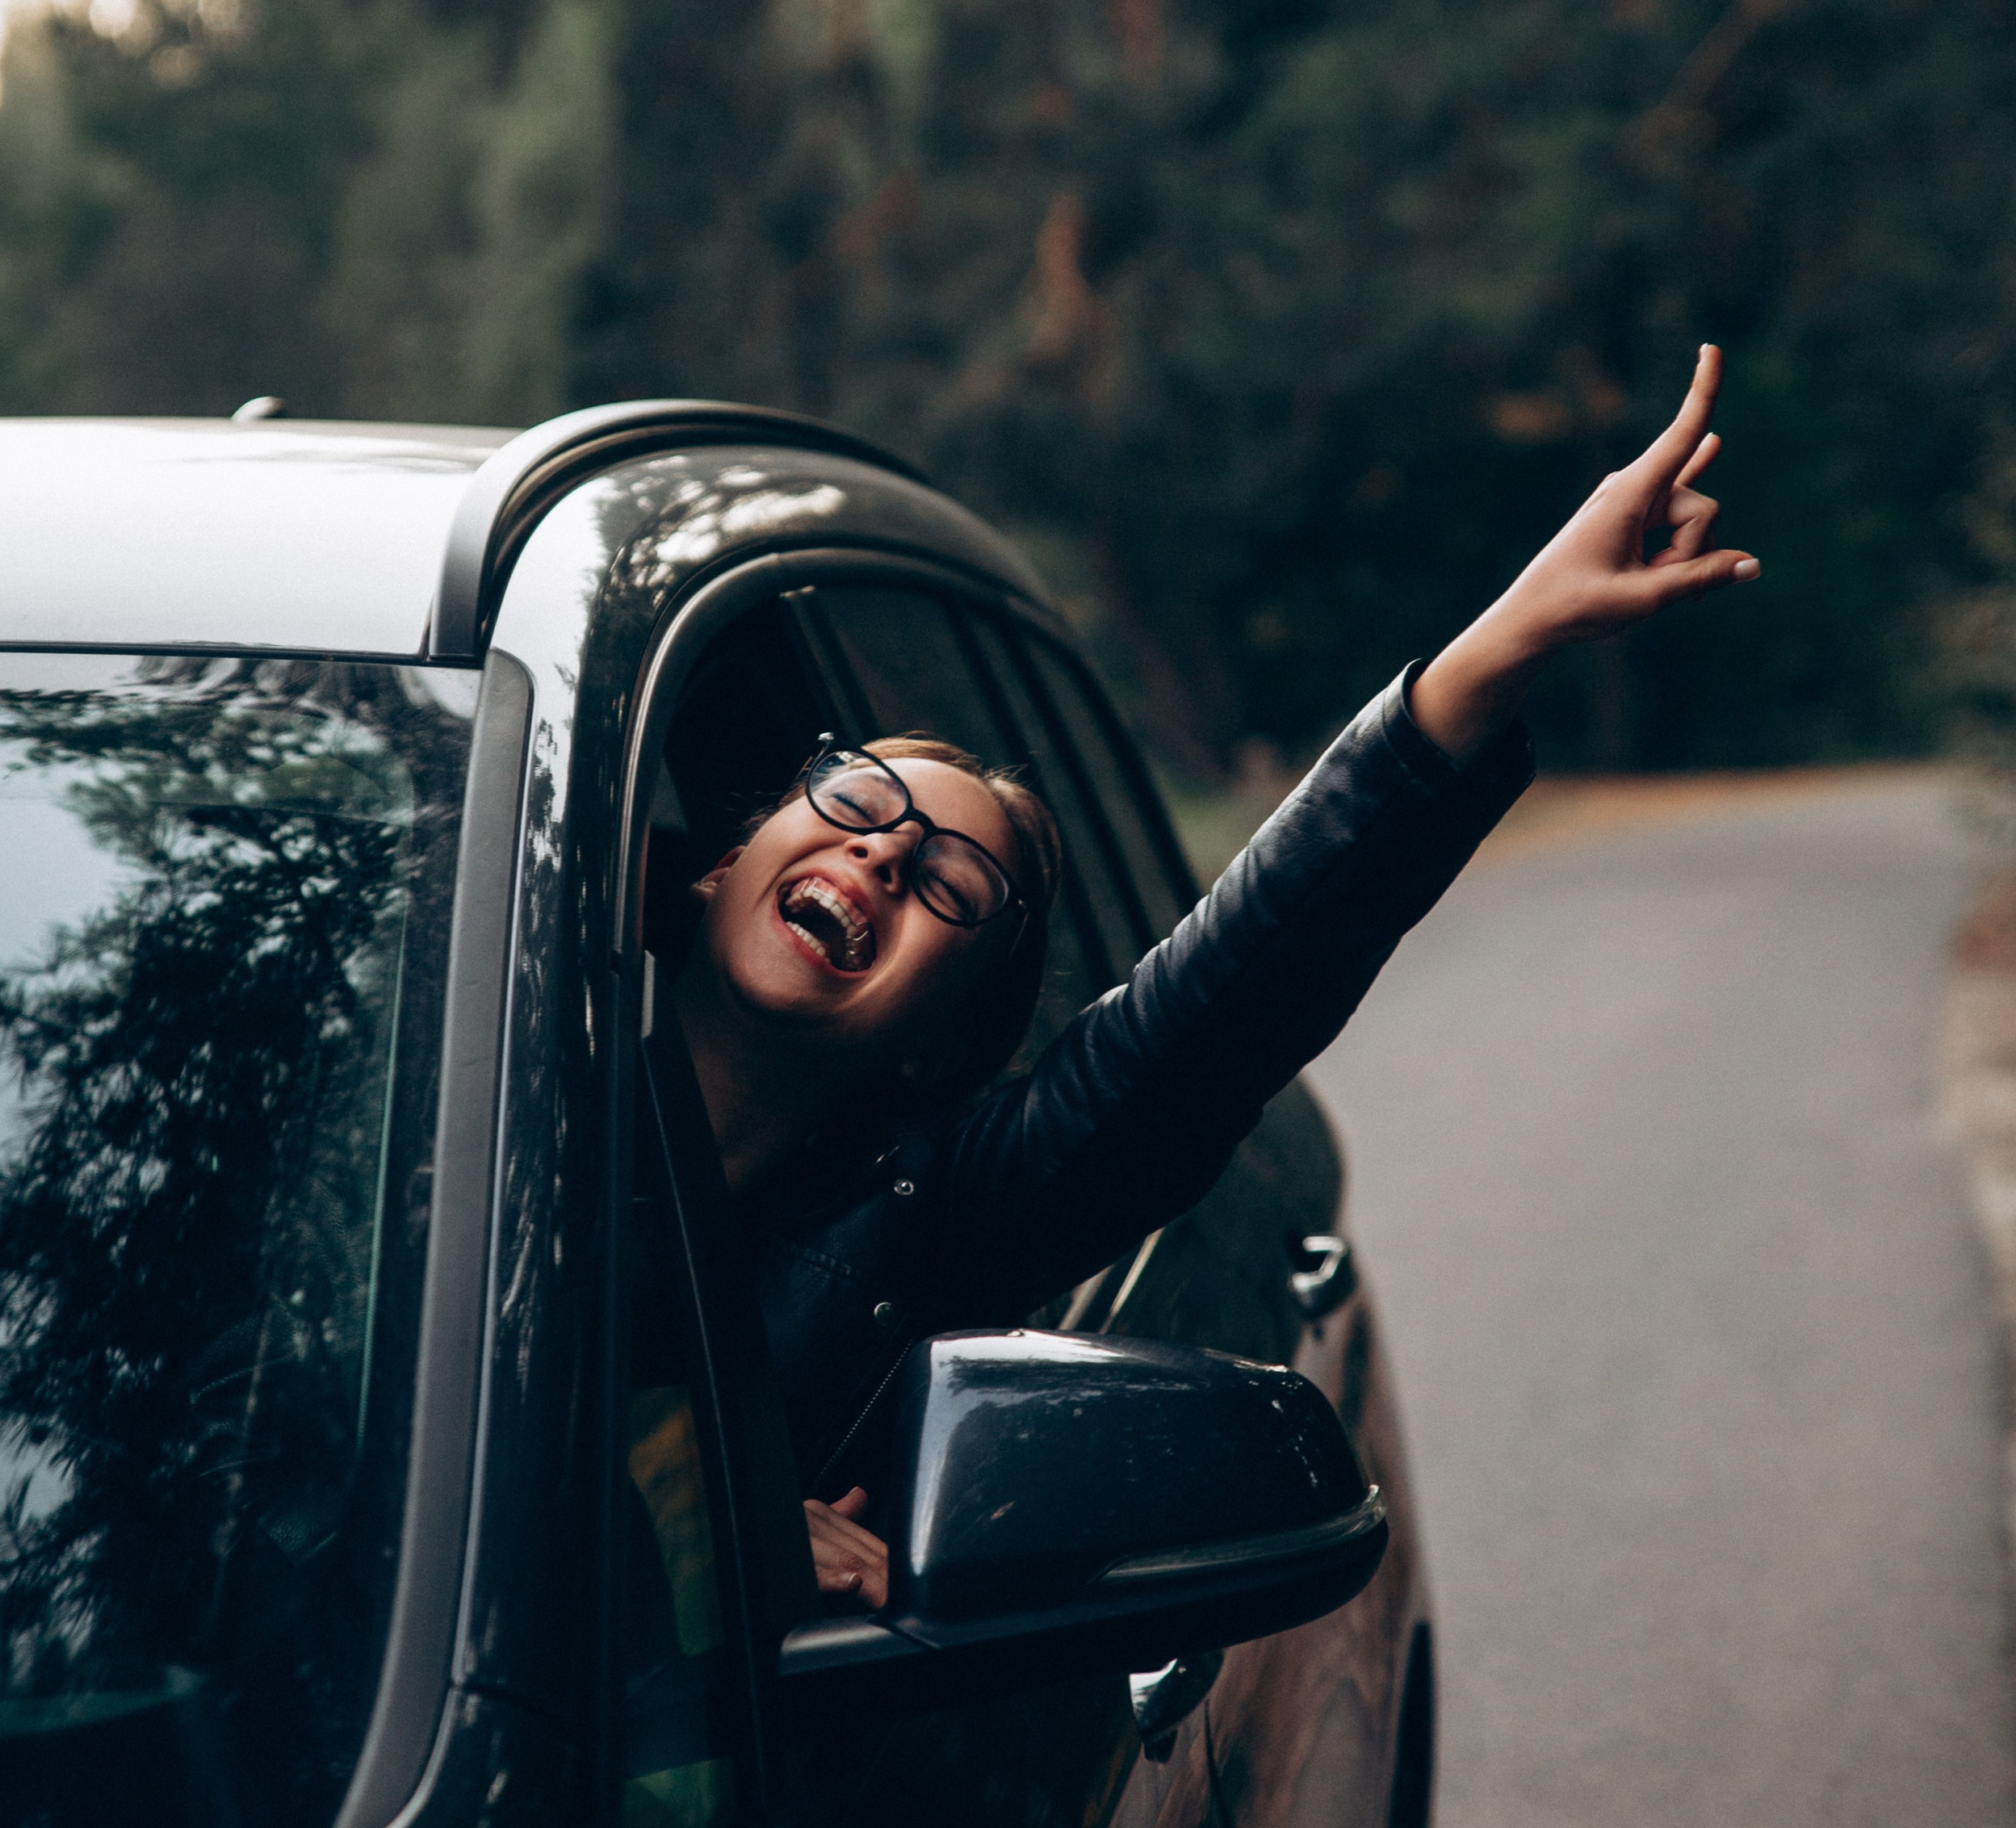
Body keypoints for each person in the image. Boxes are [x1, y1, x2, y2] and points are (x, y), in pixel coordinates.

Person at [669, 344, 1758, 1609]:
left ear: (938, 1041)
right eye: (858, 793)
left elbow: (1210, 1013)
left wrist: (1506, 640)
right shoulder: (436, 1090)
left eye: (958, 882)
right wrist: (688, 1537)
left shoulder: (939, 1211)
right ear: (715, 865)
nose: (893, 843)